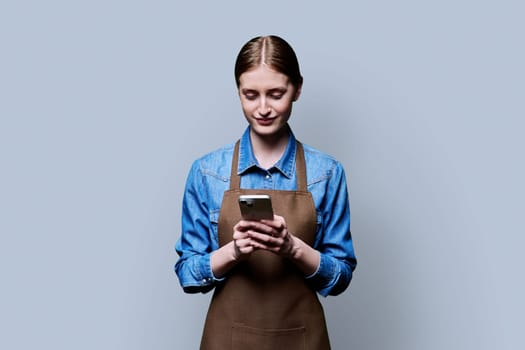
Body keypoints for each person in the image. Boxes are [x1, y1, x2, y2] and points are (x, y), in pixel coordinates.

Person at [175, 35, 357, 350]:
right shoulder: (207, 172)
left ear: (297, 89)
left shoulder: (326, 173)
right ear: (238, 92)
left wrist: (293, 248)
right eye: (250, 95)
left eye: (276, 94)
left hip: (302, 338)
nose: (263, 108)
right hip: (227, 339)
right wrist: (233, 251)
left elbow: (340, 277)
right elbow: (188, 275)